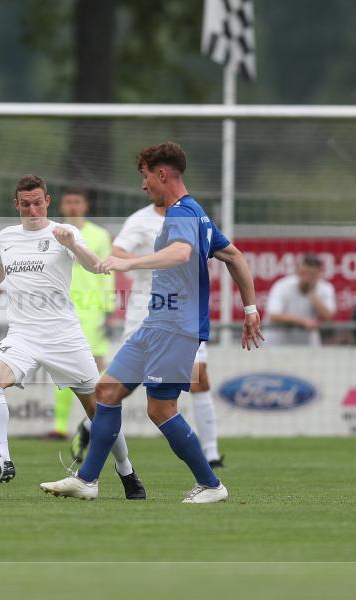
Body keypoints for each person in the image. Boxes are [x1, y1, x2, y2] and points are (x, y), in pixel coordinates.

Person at [41, 141, 262, 503]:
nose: (143, 185)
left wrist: (130, 263)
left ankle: (211, 485)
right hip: (154, 324)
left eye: (145, 177)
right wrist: (250, 309)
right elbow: (234, 256)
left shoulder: (182, 213)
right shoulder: (197, 214)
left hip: (176, 326)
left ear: (161, 175)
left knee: (160, 410)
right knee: (107, 391)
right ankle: (87, 480)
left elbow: (181, 252)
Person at [0, 174, 146, 500]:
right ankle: (3, 459)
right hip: (23, 335)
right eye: (25, 204)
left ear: (48, 201)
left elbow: (96, 266)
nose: (32, 210)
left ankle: (126, 469)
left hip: (64, 337)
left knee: (100, 410)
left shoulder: (64, 233)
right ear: (16, 204)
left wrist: (72, 244)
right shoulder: (6, 237)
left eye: (38, 203)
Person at [71, 189, 227, 469]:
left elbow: (222, 253)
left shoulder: (191, 215)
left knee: (199, 377)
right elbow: (118, 252)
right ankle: (89, 426)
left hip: (183, 312)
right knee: (121, 387)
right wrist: (151, 261)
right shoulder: (139, 220)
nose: (147, 184)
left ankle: (212, 455)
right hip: (145, 309)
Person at [49, 187, 114, 440]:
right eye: (68, 201)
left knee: (96, 368)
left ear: (85, 205)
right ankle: (60, 427)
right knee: (63, 367)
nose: (73, 206)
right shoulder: (52, 233)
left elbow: (108, 273)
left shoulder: (99, 235)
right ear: (61, 206)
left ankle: (98, 423)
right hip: (62, 309)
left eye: (77, 201)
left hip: (92, 310)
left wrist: (108, 309)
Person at [264, 254, 336, 346]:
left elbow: (328, 316)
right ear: (298, 271)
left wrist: (312, 295)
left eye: (312, 274)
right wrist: (302, 321)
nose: (307, 277)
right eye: (304, 273)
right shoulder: (282, 286)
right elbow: (274, 315)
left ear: (318, 274)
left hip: (305, 344)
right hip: (277, 344)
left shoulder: (325, 288)